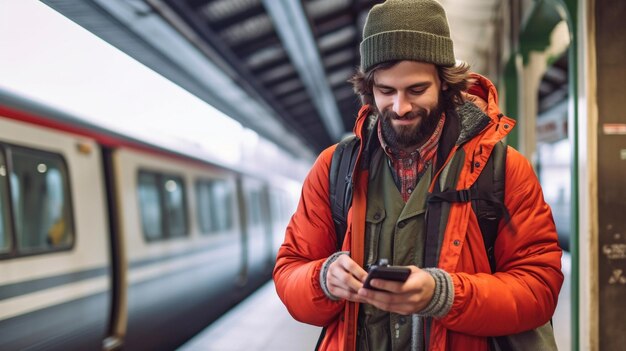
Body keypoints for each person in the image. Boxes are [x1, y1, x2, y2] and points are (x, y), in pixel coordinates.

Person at [273, 0, 563, 350]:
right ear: (369, 88)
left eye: (416, 90)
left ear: (444, 83)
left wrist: (445, 295)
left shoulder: (502, 169)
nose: (400, 107)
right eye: (385, 91)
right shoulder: (334, 169)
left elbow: (539, 287)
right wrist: (322, 279)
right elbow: (290, 269)